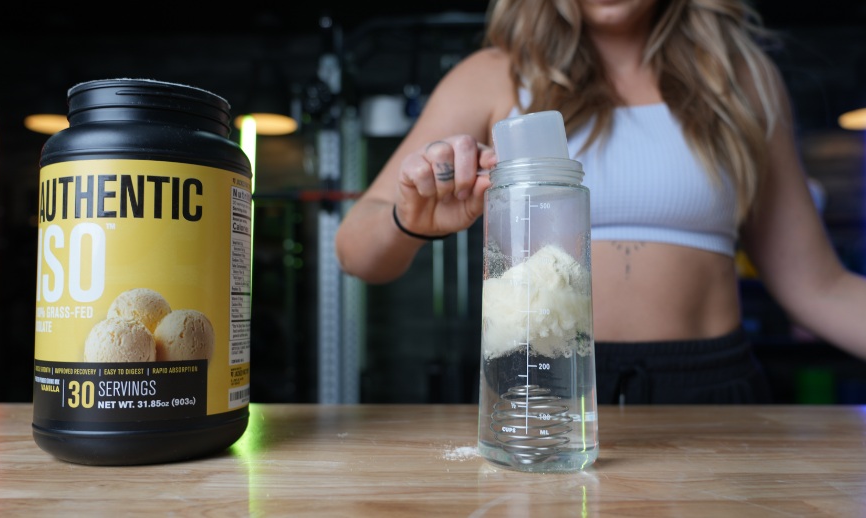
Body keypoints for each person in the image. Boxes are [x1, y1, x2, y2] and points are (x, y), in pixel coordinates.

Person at [334, 0, 866, 404]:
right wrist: (413, 217)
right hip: (541, 387)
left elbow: (818, 286)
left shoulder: (743, 80)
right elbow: (356, 250)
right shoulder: (492, 74)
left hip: (709, 386)